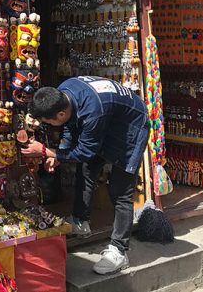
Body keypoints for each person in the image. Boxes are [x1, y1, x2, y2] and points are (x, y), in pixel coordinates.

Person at [21, 76, 149, 275]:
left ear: (60, 113)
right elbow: (69, 126)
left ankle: (119, 250)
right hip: (107, 122)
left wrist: (46, 151)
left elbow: (85, 152)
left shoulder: (93, 111)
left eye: (48, 122)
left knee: (120, 192)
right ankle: (80, 222)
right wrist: (59, 154)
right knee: (86, 170)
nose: (49, 125)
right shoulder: (64, 91)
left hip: (131, 129)